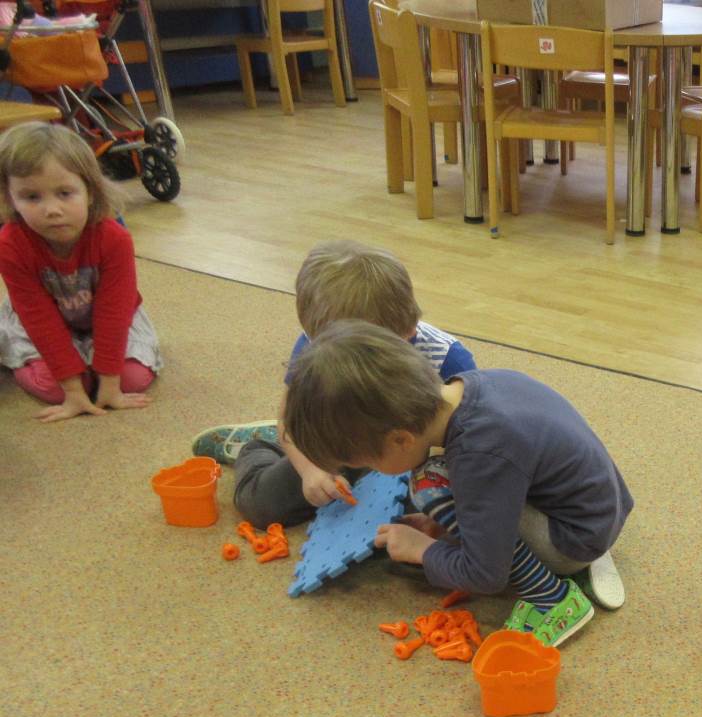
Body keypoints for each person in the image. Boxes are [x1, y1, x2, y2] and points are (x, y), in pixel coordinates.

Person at [282, 320, 630, 644]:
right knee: (447, 478)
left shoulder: (479, 453)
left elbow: (486, 575)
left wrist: (423, 550)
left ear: (401, 439)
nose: (372, 470)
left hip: (572, 540)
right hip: (598, 508)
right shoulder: (473, 385)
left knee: (428, 483)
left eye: (370, 461)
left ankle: (550, 597)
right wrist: (446, 527)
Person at [188, 239, 477, 526]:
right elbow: (289, 415)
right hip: (347, 446)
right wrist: (309, 470)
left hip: (413, 456)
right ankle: (261, 447)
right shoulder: (318, 351)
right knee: (264, 504)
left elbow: (469, 448)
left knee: (428, 515)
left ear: (408, 330)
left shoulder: (447, 360)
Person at [0, 122, 160, 423]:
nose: (52, 209)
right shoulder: (10, 245)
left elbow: (115, 311)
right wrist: (72, 390)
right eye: (31, 197)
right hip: (45, 320)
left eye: (65, 193)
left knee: (132, 379)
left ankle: (93, 368)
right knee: (54, 388)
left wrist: (110, 384)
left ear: (90, 191)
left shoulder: (113, 238)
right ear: (11, 199)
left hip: (107, 317)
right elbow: (38, 317)